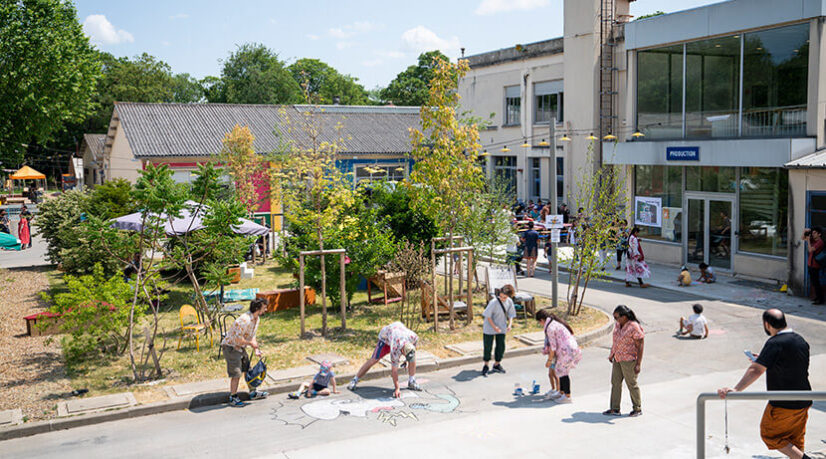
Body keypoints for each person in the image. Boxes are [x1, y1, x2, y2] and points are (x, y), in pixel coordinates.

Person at [718, 309, 813, 459]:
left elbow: (756, 370)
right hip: (804, 398)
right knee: (794, 439)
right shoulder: (800, 340)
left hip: (783, 404)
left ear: (767, 324)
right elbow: (790, 363)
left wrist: (736, 389)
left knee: (770, 435)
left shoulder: (774, 343)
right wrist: (764, 358)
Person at [348, 321, 421, 397]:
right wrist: (397, 388)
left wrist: (407, 360)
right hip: (385, 338)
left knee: (413, 359)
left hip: (398, 331)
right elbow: (394, 371)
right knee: (374, 359)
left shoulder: (413, 337)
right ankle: (354, 380)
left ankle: (411, 381)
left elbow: (412, 349)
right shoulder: (395, 349)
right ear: (402, 351)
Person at [221, 298, 268, 407]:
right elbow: (237, 339)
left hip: (241, 347)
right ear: (257, 308)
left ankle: (253, 392)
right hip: (231, 347)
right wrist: (251, 344)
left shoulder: (257, 319)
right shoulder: (244, 320)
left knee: (248, 369)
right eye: (264, 307)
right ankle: (233, 397)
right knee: (236, 373)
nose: (266, 309)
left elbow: (252, 336)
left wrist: (256, 349)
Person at [604, 305, 644, 417]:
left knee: (631, 384)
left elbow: (640, 346)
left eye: (617, 317)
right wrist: (612, 354)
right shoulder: (617, 325)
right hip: (617, 358)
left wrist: (638, 364)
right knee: (615, 383)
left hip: (628, 360)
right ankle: (615, 409)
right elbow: (616, 341)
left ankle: (637, 408)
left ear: (625, 316)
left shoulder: (634, 327)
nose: (616, 320)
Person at [536, 309, 581, 404]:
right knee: (559, 370)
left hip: (567, 351)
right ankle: (561, 392)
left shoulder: (550, 328)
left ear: (542, 320)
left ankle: (567, 396)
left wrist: (549, 360)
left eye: (539, 323)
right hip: (569, 349)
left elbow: (553, 346)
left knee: (563, 372)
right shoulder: (554, 323)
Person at [481, 285, 516, 376]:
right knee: (488, 346)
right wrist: (494, 327)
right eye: (501, 296)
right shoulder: (493, 302)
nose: (502, 298)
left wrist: (510, 325)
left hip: (502, 326)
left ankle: (497, 364)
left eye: (504, 297)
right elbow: (487, 316)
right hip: (489, 327)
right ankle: (486, 365)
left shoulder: (509, 302)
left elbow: (511, 314)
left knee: (501, 346)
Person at [802, 227, 824, 304]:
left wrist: (808, 240)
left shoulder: (820, 242)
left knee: (816, 282)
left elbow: (810, 250)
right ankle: (817, 297)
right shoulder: (813, 240)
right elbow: (803, 238)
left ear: (819, 234)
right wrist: (804, 231)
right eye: (813, 233)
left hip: (815, 265)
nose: (813, 234)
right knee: (814, 282)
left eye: (815, 233)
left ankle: (820, 299)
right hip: (810, 264)